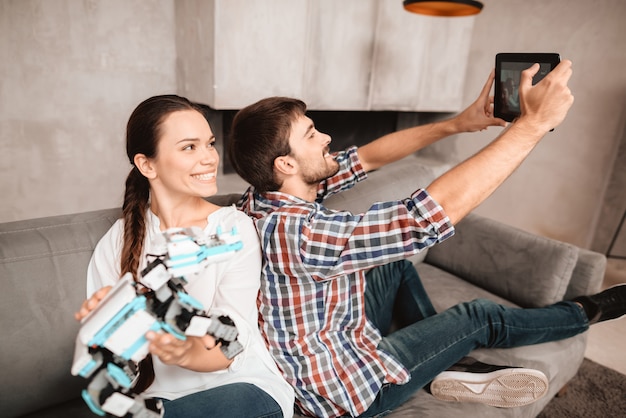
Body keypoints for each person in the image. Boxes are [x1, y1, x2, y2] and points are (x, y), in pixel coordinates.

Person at [227, 60, 626, 418]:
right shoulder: (300, 233)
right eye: (312, 133)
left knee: (395, 267)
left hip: (333, 337)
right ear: (286, 163)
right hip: (348, 393)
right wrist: (532, 125)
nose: (326, 136)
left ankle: (443, 364)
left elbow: (369, 158)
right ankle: (584, 311)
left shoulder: (263, 197)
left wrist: (460, 123)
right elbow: (423, 219)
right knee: (478, 316)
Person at [74, 95, 294, 418]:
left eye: (210, 144)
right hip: (162, 399)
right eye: (190, 147)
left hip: (242, 387)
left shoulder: (232, 230)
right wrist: (110, 326)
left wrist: (184, 350)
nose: (209, 158)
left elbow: (231, 342)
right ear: (147, 164)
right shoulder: (117, 243)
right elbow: (114, 367)